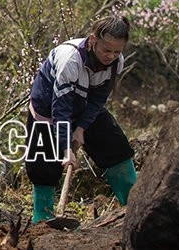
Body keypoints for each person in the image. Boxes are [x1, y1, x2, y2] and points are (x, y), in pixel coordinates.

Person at [25, 16, 137, 222]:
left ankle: (135, 206)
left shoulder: (115, 63)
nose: (111, 56)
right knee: (43, 165)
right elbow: (61, 108)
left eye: (117, 51)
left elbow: (98, 99)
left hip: (84, 107)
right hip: (48, 112)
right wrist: (67, 147)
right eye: (107, 50)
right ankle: (43, 219)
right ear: (93, 40)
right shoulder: (71, 59)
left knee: (116, 147)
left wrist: (82, 128)